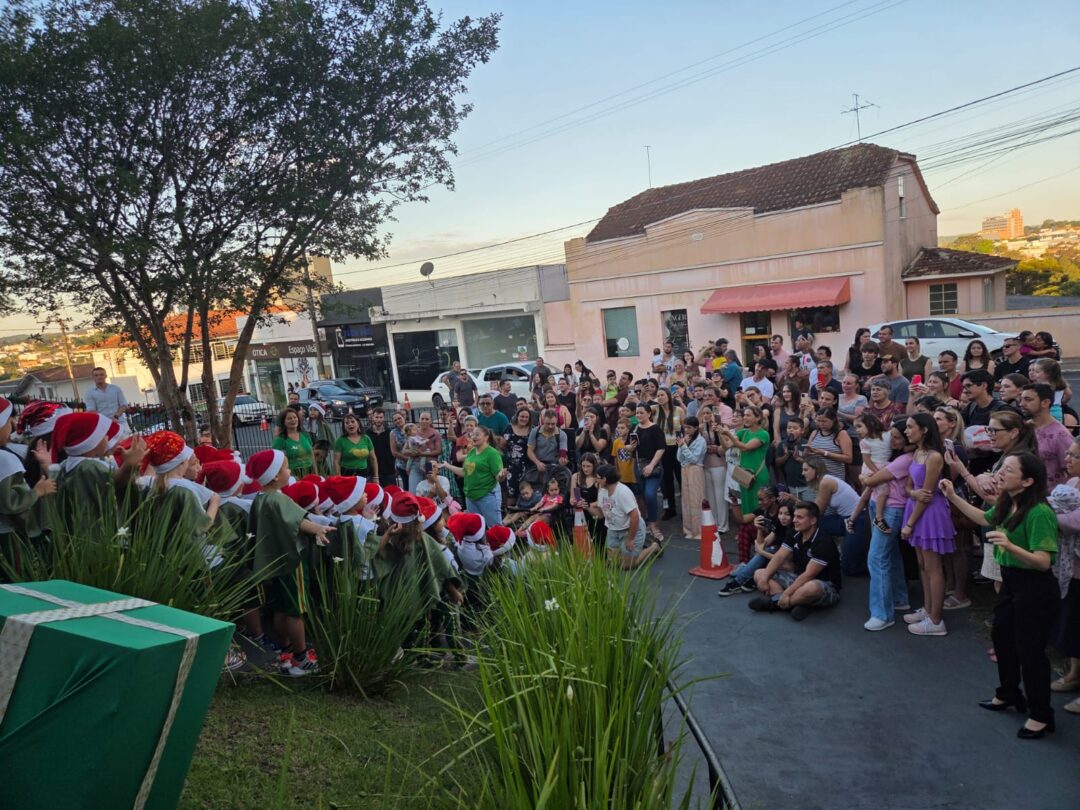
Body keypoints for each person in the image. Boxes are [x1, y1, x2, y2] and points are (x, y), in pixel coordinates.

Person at [941, 453, 1059, 739]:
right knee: (1002, 637)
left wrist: (1010, 545)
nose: (1000, 473)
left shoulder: (1039, 512)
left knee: (1030, 651)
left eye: (1008, 470)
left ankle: (1041, 715)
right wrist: (952, 496)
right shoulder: (1008, 501)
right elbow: (984, 517)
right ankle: (1008, 693)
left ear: (1028, 481)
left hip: (1035, 587)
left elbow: (1044, 561)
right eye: (1002, 468)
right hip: (1011, 581)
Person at [245, 448, 333, 677]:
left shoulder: (260, 499)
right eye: (285, 467)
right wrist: (318, 529)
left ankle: (286, 652)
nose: (289, 471)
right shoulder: (278, 498)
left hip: (275, 562)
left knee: (280, 608)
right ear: (275, 475)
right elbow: (297, 521)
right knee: (295, 610)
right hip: (291, 562)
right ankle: (301, 658)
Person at [856, 418, 915, 630]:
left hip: (891, 509)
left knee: (877, 557)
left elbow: (870, 480)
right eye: (892, 436)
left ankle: (882, 614)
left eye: (897, 437)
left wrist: (864, 477)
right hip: (880, 504)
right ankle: (899, 598)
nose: (892, 441)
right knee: (891, 554)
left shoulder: (904, 459)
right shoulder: (896, 455)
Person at [900, 413, 955, 637]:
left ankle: (936, 619)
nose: (906, 431)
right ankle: (928, 608)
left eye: (910, 427)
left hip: (929, 514)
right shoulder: (917, 453)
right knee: (922, 564)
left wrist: (910, 524)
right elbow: (910, 487)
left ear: (924, 430)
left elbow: (928, 495)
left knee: (933, 567)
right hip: (916, 508)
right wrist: (914, 494)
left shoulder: (934, 456)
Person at [749, 501, 841, 620]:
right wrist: (765, 578)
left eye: (799, 517)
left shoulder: (823, 542)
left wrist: (787, 593)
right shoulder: (794, 532)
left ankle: (774, 604)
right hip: (798, 577)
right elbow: (779, 556)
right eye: (795, 516)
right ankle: (799, 603)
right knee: (759, 574)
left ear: (813, 520)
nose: (794, 520)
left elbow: (809, 575)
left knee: (811, 588)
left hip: (823, 584)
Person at [1048, 438, 1080, 715]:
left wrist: (1047, 515)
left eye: (1074, 456)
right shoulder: (1072, 484)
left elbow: (1072, 522)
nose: (1066, 459)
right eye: (1068, 454)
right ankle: (1074, 673)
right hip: (1072, 567)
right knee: (1072, 623)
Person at [798, 455, 866, 575]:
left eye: (806, 470)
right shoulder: (823, 481)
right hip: (844, 519)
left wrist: (796, 502)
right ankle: (821, 554)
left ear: (816, 469)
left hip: (857, 520)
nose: (803, 473)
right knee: (814, 524)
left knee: (849, 569)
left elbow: (817, 511)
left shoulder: (826, 482)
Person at [719, 406, 770, 558]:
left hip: (757, 476)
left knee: (758, 506)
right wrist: (720, 433)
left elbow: (745, 447)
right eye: (745, 415)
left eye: (748, 415)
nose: (745, 418)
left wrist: (728, 433)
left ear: (757, 417)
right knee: (746, 506)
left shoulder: (763, 434)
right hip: (744, 476)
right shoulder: (743, 432)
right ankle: (747, 538)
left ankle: (760, 540)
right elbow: (727, 446)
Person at [590, 464, 661, 569]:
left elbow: (635, 516)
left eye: (598, 478)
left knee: (627, 565)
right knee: (613, 563)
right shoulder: (602, 490)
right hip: (613, 529)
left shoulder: (622, 492)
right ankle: (634, 550)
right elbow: (600, 514)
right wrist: (586, 507)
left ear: (605, 479)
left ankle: (654, 547)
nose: (596, 480)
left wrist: (630, 539)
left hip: (629, 529)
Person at [718, 502, 795, 597]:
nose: (782, 517)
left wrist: (761, 551)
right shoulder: (780, 526)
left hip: (789, 565)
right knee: (765, 550)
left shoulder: (794, 532)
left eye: (787, 514)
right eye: (780, 513)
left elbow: (785, 560)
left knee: (765, 552)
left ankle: (738, 581)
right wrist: (759, 529)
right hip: (776, 557)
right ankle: (747, 577)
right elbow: (762, 543)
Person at [439, 426, 505, 530]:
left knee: (495, 529)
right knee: (475, 529)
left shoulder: (492, 454)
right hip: (471, 497)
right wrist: (447, 465)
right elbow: (465, 472)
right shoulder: (472, 452)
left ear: (486, 437)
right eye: (473, 434)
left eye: (477, 434)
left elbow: (498, 476)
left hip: (487, 496)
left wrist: (501, 476)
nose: (473, 437)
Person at [1020, 383, 1072, 490]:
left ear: (1045, 402)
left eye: (1028, 400)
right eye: (1021, 399)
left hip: (1049, 495)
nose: (1021, 404)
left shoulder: (1061, 435)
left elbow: (1072, 471)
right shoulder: (1022, 428)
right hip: (1023, 492)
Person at [630, 404, 666, 543]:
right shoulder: (634, 428)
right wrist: (629, 447)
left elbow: (661, 448)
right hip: (638, 465)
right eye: (637, 413)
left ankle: (653, 524)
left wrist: (651, 465)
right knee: (641, 495)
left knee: (650, 494)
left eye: (641, 413)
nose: (638, 415)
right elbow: (629, 447)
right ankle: (642, 524)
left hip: (653, 465)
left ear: (649, 413)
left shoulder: (655, 428)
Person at [653, 388, 684, 522]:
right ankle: (670, 509)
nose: (660, 397)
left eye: (662, 395)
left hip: (677, 448)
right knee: (666, 481)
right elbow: (643, 409)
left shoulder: (678, 410)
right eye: (658, 395)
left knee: (681, 479)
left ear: (668, 396)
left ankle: (686, 509)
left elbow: (685, 428)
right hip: (662, 449)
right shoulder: (654, 410)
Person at [676, 416, 706, 539]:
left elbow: (694, 459)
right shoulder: (685, 439)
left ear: (696, 428)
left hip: (695, 470)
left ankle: (698, 531)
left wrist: (683, 446)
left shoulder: (701, 441)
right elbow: (679, 458)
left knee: (696, 500)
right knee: (686, 500)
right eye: (685, 427)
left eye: (689, 427)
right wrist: (682, 445)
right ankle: (688, 530)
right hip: (684, 469)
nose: (686, 430)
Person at [805, 407, 852, 481]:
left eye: (824, 421)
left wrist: (825, 453)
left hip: (834, 478)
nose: (821, 424)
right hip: (816, 478)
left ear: (833, 420)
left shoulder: (841, 434)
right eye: (818, 421)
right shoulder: (815, 433)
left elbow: (848, 458)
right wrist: (805, 453)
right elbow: (807, 454)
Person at [502, 407, 534, 504]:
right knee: (510, 491)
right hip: (510, 466)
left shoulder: (532, 430)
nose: (524, 419)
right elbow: (502, 444)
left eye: (526, 417)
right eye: (522, 416)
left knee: (525, 492)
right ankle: (510, 511)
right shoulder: (509, 428)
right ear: (517, 416)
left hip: (526, 466)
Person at [272, 408, 314, 478]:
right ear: (283, 422)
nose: (293, 420)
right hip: (292, 475)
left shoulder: (305, 434)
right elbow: (277, 462)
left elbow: (312, 455)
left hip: (310, 472)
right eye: (289, 418)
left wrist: (316, 472)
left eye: (295, 417)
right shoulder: (280, 440)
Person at [333, 413, 376, 479]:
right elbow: (336, 462)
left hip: (364, 474)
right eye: (347, 423)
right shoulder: (340, 441)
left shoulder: (366, 438)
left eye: (352, 421)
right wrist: (339, 478)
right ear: (344, 427)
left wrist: (376, 477)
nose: (350, 424)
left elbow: (373, 459)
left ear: (358, 423)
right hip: (346, 475)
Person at [367, 409, 396, 488]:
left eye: (381, 417)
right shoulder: (367, 434)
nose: (379, 420)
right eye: (376, 417)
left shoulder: (390, 432)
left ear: (384, 418)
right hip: (372, 471)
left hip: (389, 469)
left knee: (391, 493)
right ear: (372, 418)